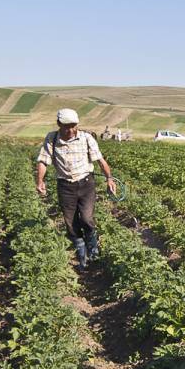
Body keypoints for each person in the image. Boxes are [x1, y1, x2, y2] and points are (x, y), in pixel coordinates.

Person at [35, 108, 117, 268]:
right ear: (59, 124)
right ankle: (82, 256)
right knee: (71, 223)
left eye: (73, 126)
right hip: (65, 186)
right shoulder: (52, 138)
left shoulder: (86, 138)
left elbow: (100, 160)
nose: (70, 130)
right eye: (66, 126)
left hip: (86, 183)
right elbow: (43, 161)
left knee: (86, 218)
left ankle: (93, 249)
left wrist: (109, 178)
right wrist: (40, 181)